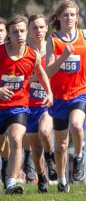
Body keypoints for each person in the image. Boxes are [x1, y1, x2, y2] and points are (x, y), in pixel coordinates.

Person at [46, 0, 86, 192]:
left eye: (72, 15)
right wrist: (63, 56)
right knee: (61, 145)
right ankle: (62, 180)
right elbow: (49, 71)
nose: (69, 18)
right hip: (60, 96)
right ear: (59, 17)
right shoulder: (53, 40)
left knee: (77, 124)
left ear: (77, 17)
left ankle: (79, 156)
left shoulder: (85, 35)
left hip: (80, 92)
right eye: (65, 15)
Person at [0, 15, 53, 194]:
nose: (20, 35)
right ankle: (5, 163)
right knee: (2, 146)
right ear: (8, 34)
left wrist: (50, 92)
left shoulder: (32, 55)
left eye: (22, 31)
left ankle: (11, 184)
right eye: (15, 32)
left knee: (16, 139)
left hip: (19, 106)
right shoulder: (1, 53)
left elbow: (42, 74)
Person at [24, 14, 56, 192]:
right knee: (35, 148)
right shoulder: (25, 52)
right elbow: (20, 77)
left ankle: (50, 156)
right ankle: (41, 176)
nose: (38, 31)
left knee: (44, 132)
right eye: (34, 28)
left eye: (41, 27)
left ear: (46, 29)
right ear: (28, 31)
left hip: (48, 102)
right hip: (29, 104)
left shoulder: (52, 51)